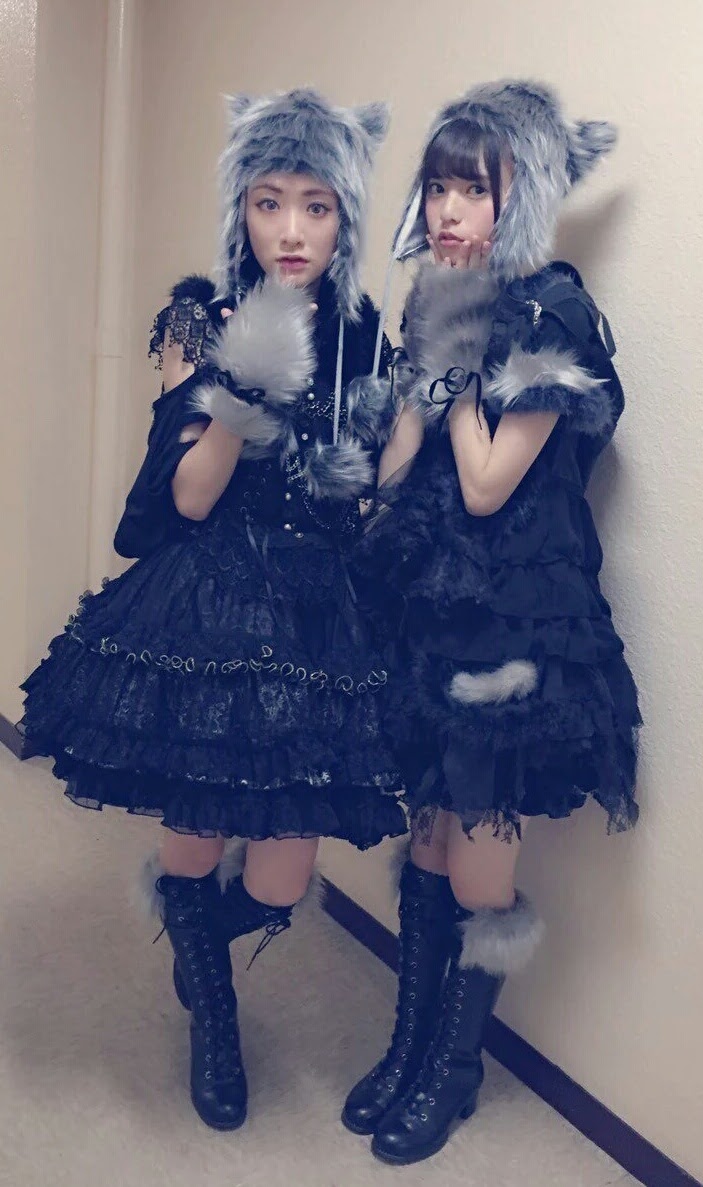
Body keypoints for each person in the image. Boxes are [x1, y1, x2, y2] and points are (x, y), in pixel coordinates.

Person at [20, 88, 405, 1131]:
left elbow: (372, 484)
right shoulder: (200, 317)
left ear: (344, 217)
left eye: (317, 205)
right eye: (269, 201)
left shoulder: (362, 338)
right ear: (241, 208)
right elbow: (188, 496)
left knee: (280, 877)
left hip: (314, 613)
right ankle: (216, 1018)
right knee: (193, 834)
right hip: (209, 601)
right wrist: (243, 387)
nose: (291, 229)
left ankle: (199, 946)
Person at [342, 79, 642, 1165]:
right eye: (438, 187)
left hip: (513, 623)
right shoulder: (443, 302)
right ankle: (409, 1047)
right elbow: (399, 469)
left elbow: (481, 482)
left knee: (476, 860)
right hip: (432, 610)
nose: (448, 210)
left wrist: (457, 350)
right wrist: (411, 377)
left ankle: (454, 1066)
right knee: (426, 833)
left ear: (521, 198)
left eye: (473, 188)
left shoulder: (550, 315)